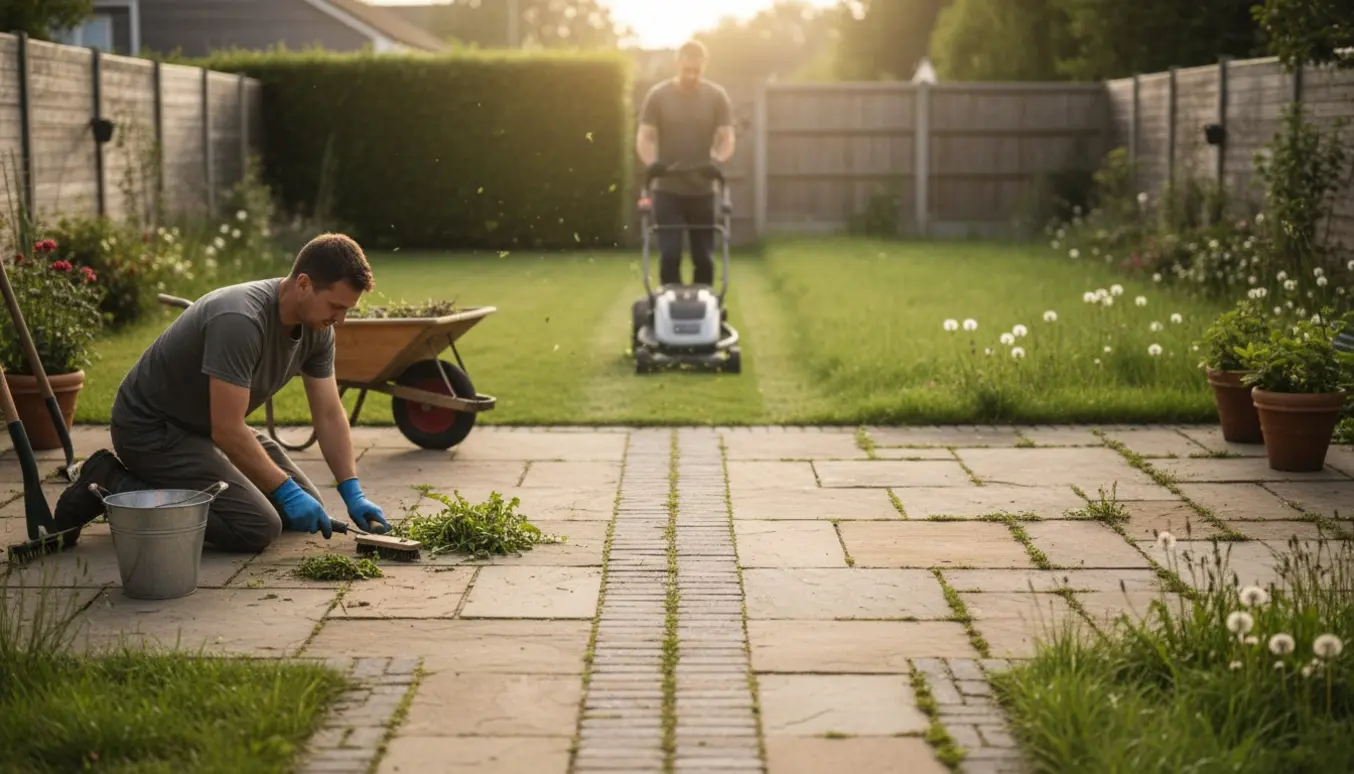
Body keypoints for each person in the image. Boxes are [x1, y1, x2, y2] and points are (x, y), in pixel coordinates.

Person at [53, 233, 389, 553]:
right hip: (151, 431)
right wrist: (282, 488)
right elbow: (227, 429)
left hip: (205, 429)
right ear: (303, 284)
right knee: (257, 525)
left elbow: (329, 415)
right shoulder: (240, 318)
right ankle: (108, 482)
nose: (340, 319)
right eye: (336, 306)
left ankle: (178, 483)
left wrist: (351, 490)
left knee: (299, 506)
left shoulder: (318, 329)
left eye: (347, 309)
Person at [636, 39, 736, 287]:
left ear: (704, 66)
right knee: (670, 255)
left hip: (703, 191)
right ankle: (669, 310)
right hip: (667, 191)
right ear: (677, 63)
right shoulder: (658, 95)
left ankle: (704, 312)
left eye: (696, 70)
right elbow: (645, 136)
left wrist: (718, 159)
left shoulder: (716, 96)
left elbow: (727, 137)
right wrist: (651, 163)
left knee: (703, 257)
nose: (691, 75)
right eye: (686, 70)